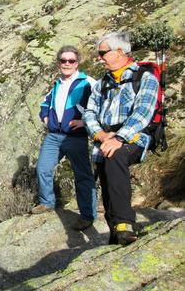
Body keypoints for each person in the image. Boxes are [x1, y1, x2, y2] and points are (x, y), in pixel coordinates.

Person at [83, 32, 159, 245]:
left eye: (102, 53)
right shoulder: (101, 84)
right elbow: (89, 112)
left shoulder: (144, 78)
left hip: (134, 138)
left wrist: (119, 138)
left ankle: (125, 223)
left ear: (119, 52)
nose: (99, 57)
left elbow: (143, 113)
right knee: (107, 181)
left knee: (115, 156)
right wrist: (99, 134)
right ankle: (115, 231)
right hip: (104, 140)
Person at [32, 45, 97, 231]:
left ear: (77, 63)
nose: (67, 64)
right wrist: (45, 116)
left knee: (82, 176)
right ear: (58, 63)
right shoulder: (57, 83)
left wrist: (85, 123)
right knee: (43, 168)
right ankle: (47, 202)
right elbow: (45, 103)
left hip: (76, 137)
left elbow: (102, 106)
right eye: (63, 60)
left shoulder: (88, 82)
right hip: (54, 136)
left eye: (71, 61)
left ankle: (87, 215)